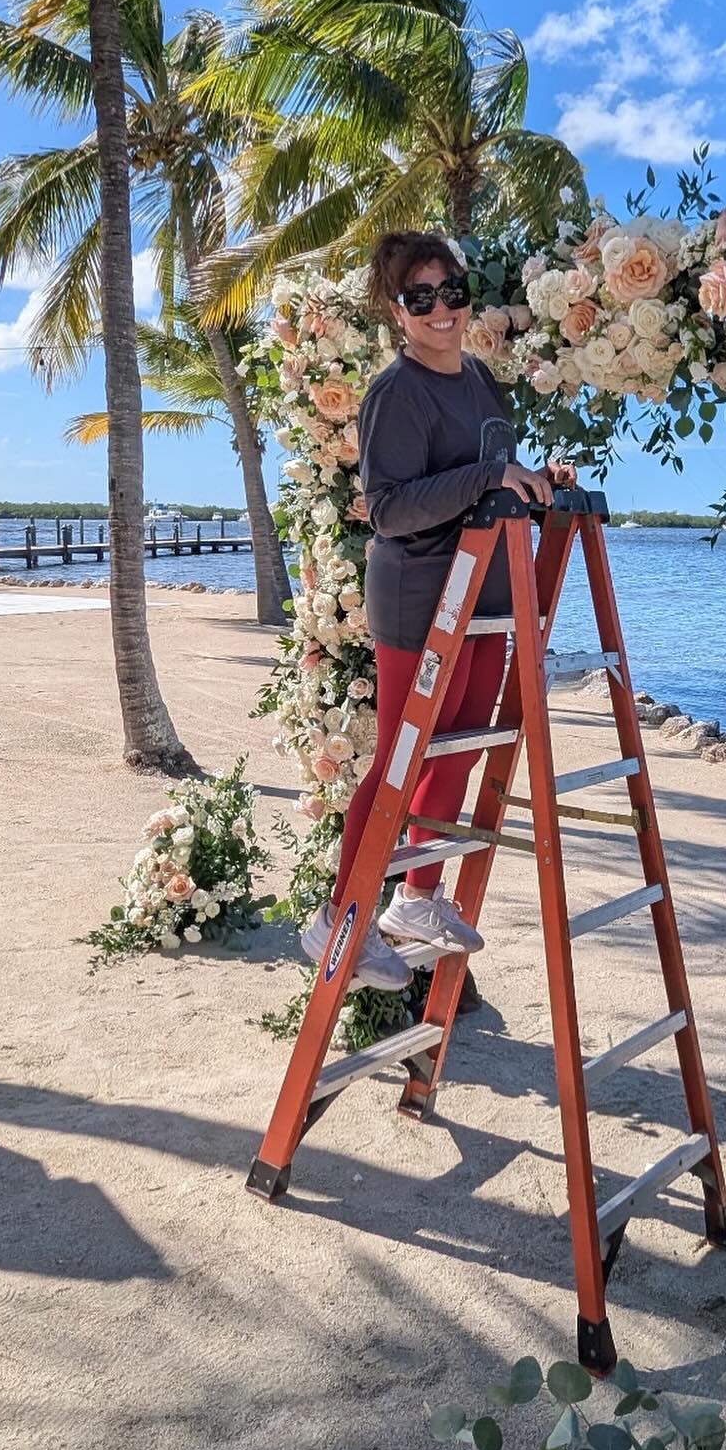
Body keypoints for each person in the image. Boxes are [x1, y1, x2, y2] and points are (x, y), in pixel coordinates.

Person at [300, 230, 576, 995]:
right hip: (423, 601)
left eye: (451, 290)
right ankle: (337, 919)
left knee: (456, 750)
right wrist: (488, 473)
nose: (442, 309)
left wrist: (531, 480)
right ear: (397, 310)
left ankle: (416, 900)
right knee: (402, 760)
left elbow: (485, 480)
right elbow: (388, 510)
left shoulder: (481, 378)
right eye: (421, 298)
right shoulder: (397, 393)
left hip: (485, 597)